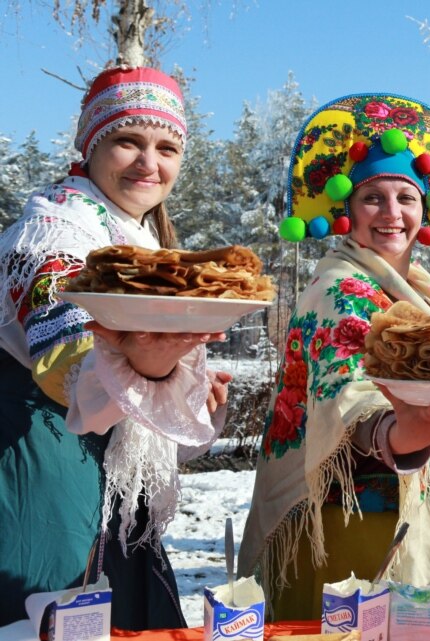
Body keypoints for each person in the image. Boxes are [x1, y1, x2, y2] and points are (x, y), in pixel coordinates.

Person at [239, 93, 430, 619]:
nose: (391, 213)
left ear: (425, 211)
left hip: (413, 523)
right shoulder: (339, 290)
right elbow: (347, 396)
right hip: (358, 527)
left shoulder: (425, 293)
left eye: (405, 197)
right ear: (347, 211)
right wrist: (403, 434)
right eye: (372, 198)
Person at [0, 66, 230, 629]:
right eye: (129, 140)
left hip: (115, 505)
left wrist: (189, 399)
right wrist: (149, 370)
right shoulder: (53, 232)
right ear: (91, 144)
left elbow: (139, 413)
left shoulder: (137, 242)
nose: (149, 163)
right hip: (44, 480)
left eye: (167, 147)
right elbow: (69, 370)